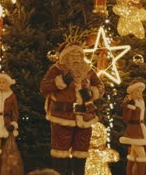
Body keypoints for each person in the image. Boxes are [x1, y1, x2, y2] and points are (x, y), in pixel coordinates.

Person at [40, 43, 104, 175]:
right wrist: (61, 80)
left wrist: (92, 92)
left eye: (78, 54)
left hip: (85, 117)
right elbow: (44, 87)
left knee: (81, 153)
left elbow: (100, 86)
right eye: (72, 54)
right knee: (60, 153)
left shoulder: (88, 70)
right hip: (63, 116)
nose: (76, 57)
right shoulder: (56, 69)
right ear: (66, 56)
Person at [119, 80, 146, 175]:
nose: (140, 93)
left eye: (141, 91)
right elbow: (126, 118)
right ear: (132, 92)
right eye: (137, 91)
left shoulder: (141, 102)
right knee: (142, 154)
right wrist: (129, 106)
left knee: (133, 154)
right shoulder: (131, 103)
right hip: (134, 130)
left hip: (140, 128)